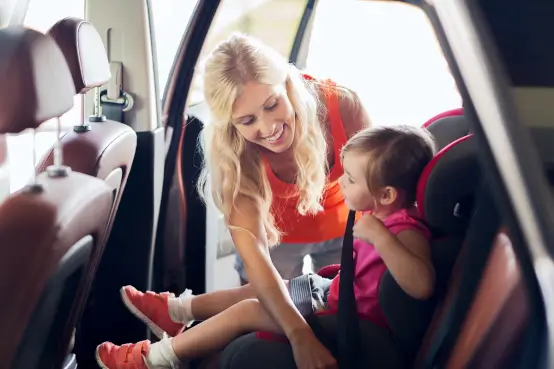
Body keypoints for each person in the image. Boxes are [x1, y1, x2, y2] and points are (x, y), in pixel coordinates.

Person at [98, 31, 370, 369]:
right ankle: (174, 318)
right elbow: (256, 254)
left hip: (344, 226)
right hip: (277, 237)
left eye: (271, 104)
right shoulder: (235, 157)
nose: (269, 126)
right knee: (264, 314)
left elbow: (376, 186)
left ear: (286, 83)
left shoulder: (340, 106)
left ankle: (175, 313)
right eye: (248, 120)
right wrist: (299, 335)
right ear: (230, 124)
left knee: (302, 300)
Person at [95, 125, 437, 369]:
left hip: (353, 323)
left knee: (250, 309)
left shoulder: (405, 230)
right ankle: (177, 312)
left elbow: (421, 285)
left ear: (388, 194)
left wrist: (379, 236)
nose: (340, 182)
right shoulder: (382, 215)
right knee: (263, 288)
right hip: (334, 295)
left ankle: (154, 359)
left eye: (349, 178)